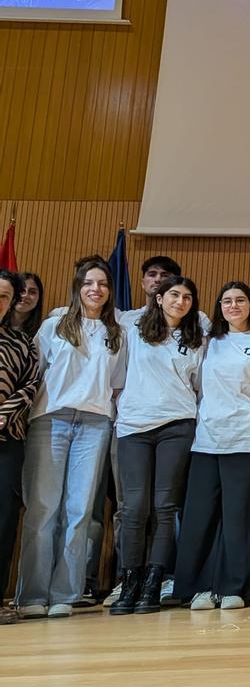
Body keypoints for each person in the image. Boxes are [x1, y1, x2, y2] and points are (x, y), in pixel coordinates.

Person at [15, 260, 124, 620]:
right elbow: (33, 373)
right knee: (43, 508)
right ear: (78, 287)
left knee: (79, 512)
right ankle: (32, 595)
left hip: (95, 424)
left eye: (103, 283)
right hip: (51, 420)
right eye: (89, 282)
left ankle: (65, 593)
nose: (96, 289)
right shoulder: (54, 325)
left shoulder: (117, 333)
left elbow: (117, 385)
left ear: (110, 290)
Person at [177, 282, 250, 610]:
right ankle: (201, 587)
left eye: (240, 300)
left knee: (240, 516)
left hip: (248, 435)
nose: (234, 306)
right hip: (207, 437)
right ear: (219, 306)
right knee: (201, 514)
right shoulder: (208, 342)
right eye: (227, 301)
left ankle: (237, 586)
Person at [110, 275, 205, 615]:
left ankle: (154, 581)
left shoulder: (196, 339)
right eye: (174, 295)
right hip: (134, 427)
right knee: (134, 507)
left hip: (177, 426)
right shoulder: (133, 330)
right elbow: (117, 377)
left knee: (165, 506)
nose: (180, 302)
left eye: (187, 297)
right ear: (159, 298)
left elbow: (198, 385)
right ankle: (129, 581)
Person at [0, 270, 41, 625]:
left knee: (3, 519)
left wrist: (2, 415)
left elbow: (31, 384)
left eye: (4, 296)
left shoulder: (22, 343)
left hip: (8, 439)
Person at [10, 272, 43, 337]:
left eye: (32, 292)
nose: (25, 295)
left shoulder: (42, 332)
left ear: (39, 298)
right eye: (21, 290)